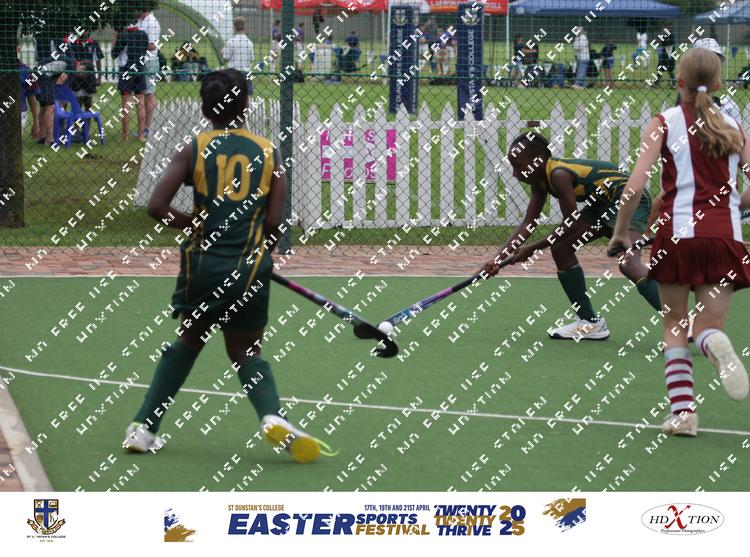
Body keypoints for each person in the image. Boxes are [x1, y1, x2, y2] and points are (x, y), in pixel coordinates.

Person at [122, 69, 330, 463]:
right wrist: (262, 253)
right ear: (246, 105)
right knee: (247, 351)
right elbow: (274, 223)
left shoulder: (193, 150)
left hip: (202, 267)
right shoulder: (268, 153)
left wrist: (190, 222)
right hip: (248, 270)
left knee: (188, 341)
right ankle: (273, 415)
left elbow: (156, 207)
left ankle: (144, 428)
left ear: (205, 109)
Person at [608, 48, 750, 437]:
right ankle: (712, 341)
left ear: (679, 81)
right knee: (707, 326)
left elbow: (634, 187)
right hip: (724, 237)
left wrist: (621, 232)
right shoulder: (733, 127)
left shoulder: (664, 122)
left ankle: (684, 414)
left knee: (674, 321)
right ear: (718, 83)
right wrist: (732, 204)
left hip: (678, 236)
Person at [482, 132, 661, 340]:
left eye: (518, 166)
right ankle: (589, 323)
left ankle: (679, 320)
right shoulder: (540, 181)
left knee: (629, 264)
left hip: (630, 199)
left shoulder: (558, 175)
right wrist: (496, 260)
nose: (514, 173)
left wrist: (532, 249)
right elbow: (528, 224)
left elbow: (570, 224)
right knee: (562, 248)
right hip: (602, 205)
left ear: (537, 160)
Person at [112, 23, 149, 142]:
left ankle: (125, 136)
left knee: (126, 103)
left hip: (126, 70)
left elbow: (114, 54)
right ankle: (141, 135)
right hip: (140, 70)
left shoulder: (123, 35)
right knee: (140, 103)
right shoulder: (143, 34)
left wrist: (115, 39)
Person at [137, 7, 162, 139]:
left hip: (149, 62)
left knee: (149, 94)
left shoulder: (151, 22)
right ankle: (144, 128)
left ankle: (148, 128)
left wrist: (134, 44)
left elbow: (152, 46)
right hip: (141, 62)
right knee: (142, 95)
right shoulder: (140, 20)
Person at [222, 16, 255, 93]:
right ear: (245, 26)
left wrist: (223, 52)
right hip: (246, 73)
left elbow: (226, 58)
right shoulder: (249, 42)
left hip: (233, 73)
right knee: (247, 95)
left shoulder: (230, 42)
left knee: (232, 96)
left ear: (234, 27)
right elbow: (251, 59)